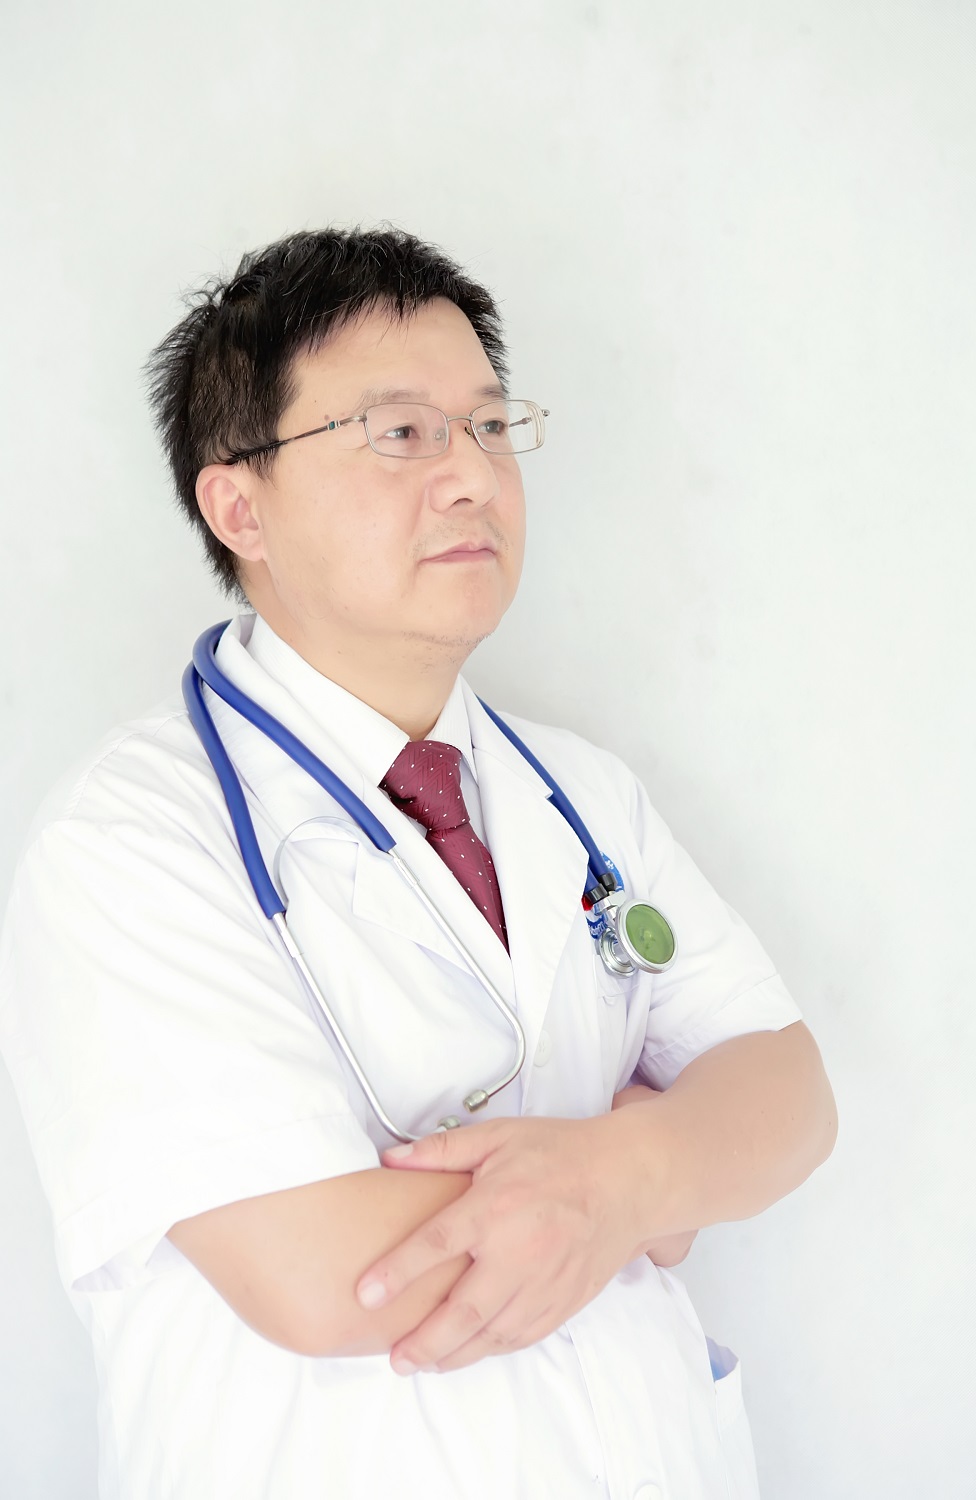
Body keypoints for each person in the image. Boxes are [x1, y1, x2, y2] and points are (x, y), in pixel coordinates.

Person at [0, 226, 837, 1500]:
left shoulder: (583, 794)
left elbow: (790, 1094)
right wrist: (658, 1180)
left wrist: (625, 1176)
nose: (471, 479)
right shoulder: (129, 839)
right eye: (400, 433)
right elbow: (324, 1273)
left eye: (491, 427)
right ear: (239, 506)